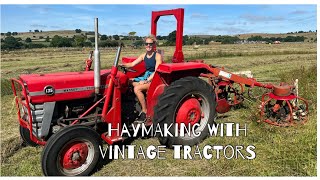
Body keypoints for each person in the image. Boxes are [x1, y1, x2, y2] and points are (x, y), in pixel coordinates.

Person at [120, 35, 162, 122]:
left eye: (150, 43)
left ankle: (144, 110)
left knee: (137, 88)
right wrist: (122, 65)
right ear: (145, 45)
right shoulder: (143, 55)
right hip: (146, 76)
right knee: (128, 82)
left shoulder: (157, 56)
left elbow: (156, 71)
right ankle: (132, 105)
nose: (148, 45)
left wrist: (146, 80)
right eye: (147, 44)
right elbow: (132, 64)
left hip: (154, 79)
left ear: (154, 44)